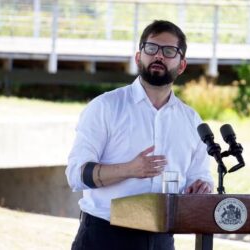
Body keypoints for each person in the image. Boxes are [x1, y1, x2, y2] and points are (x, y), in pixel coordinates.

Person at [66, 20, 214, 250]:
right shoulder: (106, 107)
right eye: (151, 48)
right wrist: (130, 169)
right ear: (138, 57)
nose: (159, 56)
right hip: (104, 236)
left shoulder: (191, 121)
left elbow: (199, 177)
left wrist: (200, 187)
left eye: (169, 51)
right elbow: (76, 175)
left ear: (182, 65)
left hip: (162, 238)